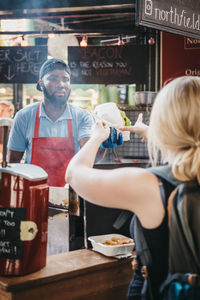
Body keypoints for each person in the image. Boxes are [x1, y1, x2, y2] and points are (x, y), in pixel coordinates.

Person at [66, 76, 200, 299]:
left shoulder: (149, 185)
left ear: (165, 124)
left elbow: (74, 174)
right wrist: (147, 132)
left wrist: (96, 138)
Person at [7, 58, 100, 187]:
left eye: (65, 79)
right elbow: (13, 164)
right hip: (33, 194)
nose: (61, 84)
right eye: (54, 78)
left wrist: (103, 143)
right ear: (41, 84)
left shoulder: (82, 116)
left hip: (71, 195)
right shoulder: (24, 116)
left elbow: (89, 155)